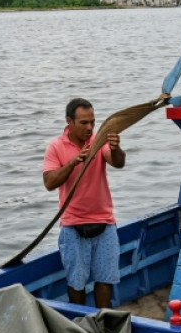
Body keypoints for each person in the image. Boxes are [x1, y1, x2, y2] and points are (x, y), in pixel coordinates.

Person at [43, 98, 125, 307]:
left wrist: (116, 148)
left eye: (92, 122)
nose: (89, 128)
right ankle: (80, 323)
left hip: (104, 222)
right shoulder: (55, 147)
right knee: (76, 282)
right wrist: (73, 162)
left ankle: (104, 323)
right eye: (83, 123)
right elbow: (49, 183)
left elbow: (117, 162)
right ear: (69, 121)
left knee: (105, 280)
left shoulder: (99, 140)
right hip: (73, 225)